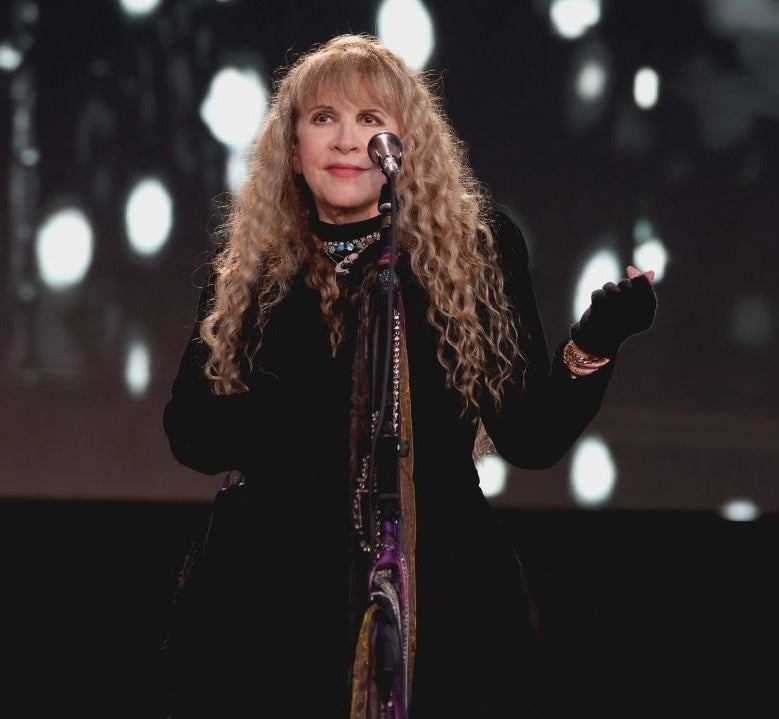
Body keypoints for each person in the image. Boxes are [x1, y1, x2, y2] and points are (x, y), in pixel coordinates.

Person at [160, 32, 657, 719]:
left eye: (371, 120)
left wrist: (595, 340)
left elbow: (530, 435)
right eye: (324, 118)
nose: (344, 140)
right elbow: (193, 435)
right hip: (273, 594)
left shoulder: (473, 251)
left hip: (439, 588)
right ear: (293, 148)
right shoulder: (252, 266)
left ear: (405, 145)